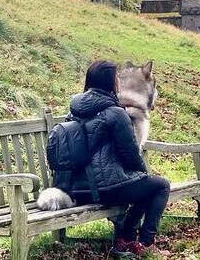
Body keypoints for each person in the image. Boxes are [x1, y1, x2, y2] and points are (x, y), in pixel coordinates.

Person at [62, 59, 171, 256]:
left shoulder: (74, 109)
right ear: (111, 83)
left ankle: (126, 237)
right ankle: (144, 242)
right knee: (159, 185)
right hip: (104, 189)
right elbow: (130, 156)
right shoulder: (116, 113)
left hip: (75, 189)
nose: (120, 82)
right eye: (117, 78)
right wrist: (143, 175)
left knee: (144, 185)